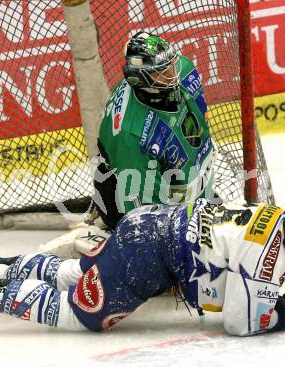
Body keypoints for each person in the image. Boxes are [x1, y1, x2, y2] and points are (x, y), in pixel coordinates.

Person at [0, 189, 285, 335]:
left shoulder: (270, 218)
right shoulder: (268, 249)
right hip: (149, 256)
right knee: (79, 314)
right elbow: (240, 321)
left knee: (76, 274)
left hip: (149, 222)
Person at [92, 31, 216, 229]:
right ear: (139, 79)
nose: (173, 75)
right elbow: (147, 218)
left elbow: (201, 118)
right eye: (162, 72)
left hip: (175, 181)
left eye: (171, 65)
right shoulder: (132, 135)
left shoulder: (182, 69)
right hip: (123, 194)